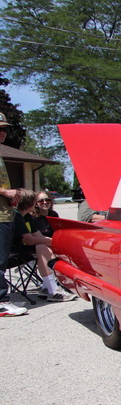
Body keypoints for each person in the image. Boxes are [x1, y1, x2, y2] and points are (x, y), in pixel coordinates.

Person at [12, 189, 76, 302]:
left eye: (47, 200)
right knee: (41, 247)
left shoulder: (27, 217)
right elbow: (29, 240)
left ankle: (49, 286)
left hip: (29, 246)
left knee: (44, 246)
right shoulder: (17, 216)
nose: (42, 203)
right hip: (16, 250)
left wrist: (52, 242)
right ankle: (53, 289)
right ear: (31, 203)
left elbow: (38, 235)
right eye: (37, 201)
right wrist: (52, 242)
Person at [0, 112, 28, 316]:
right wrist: (5, 192)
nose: (3, 132)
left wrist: (11, 198)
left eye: (5, 129)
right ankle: (2, 302)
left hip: (5, 213)